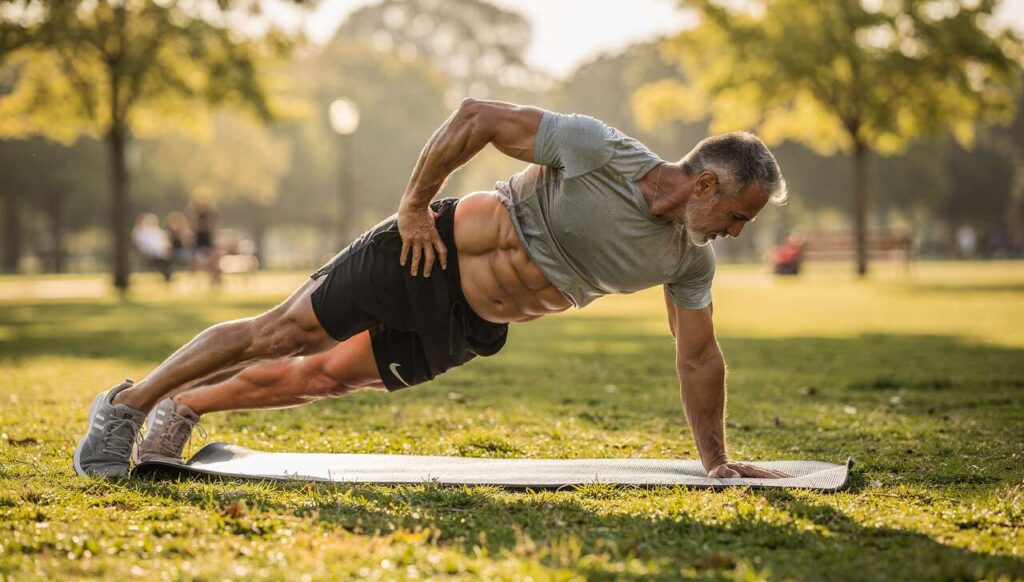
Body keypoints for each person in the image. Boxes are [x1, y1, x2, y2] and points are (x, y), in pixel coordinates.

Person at [74, 100, 791, 481]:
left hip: (469, 325)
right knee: (282, 334)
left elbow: (699, 359)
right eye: (737, 215)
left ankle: (185, 405)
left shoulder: (686, 262)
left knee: (323, 378)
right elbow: (477, 116)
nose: (735, 232)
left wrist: (714, 459)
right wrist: (416, 205)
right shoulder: (601, 151)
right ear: (705, 184)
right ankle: (125, 408)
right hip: (427, 253)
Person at [131, 213, 173, 283]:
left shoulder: (157, 231)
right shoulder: (139, 232)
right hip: (149, 254)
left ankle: (167, 276)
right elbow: (140, 245)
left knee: (165, 261)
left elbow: (164, 243)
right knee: (162, 262)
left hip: (160, 253)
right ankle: (166, 276)